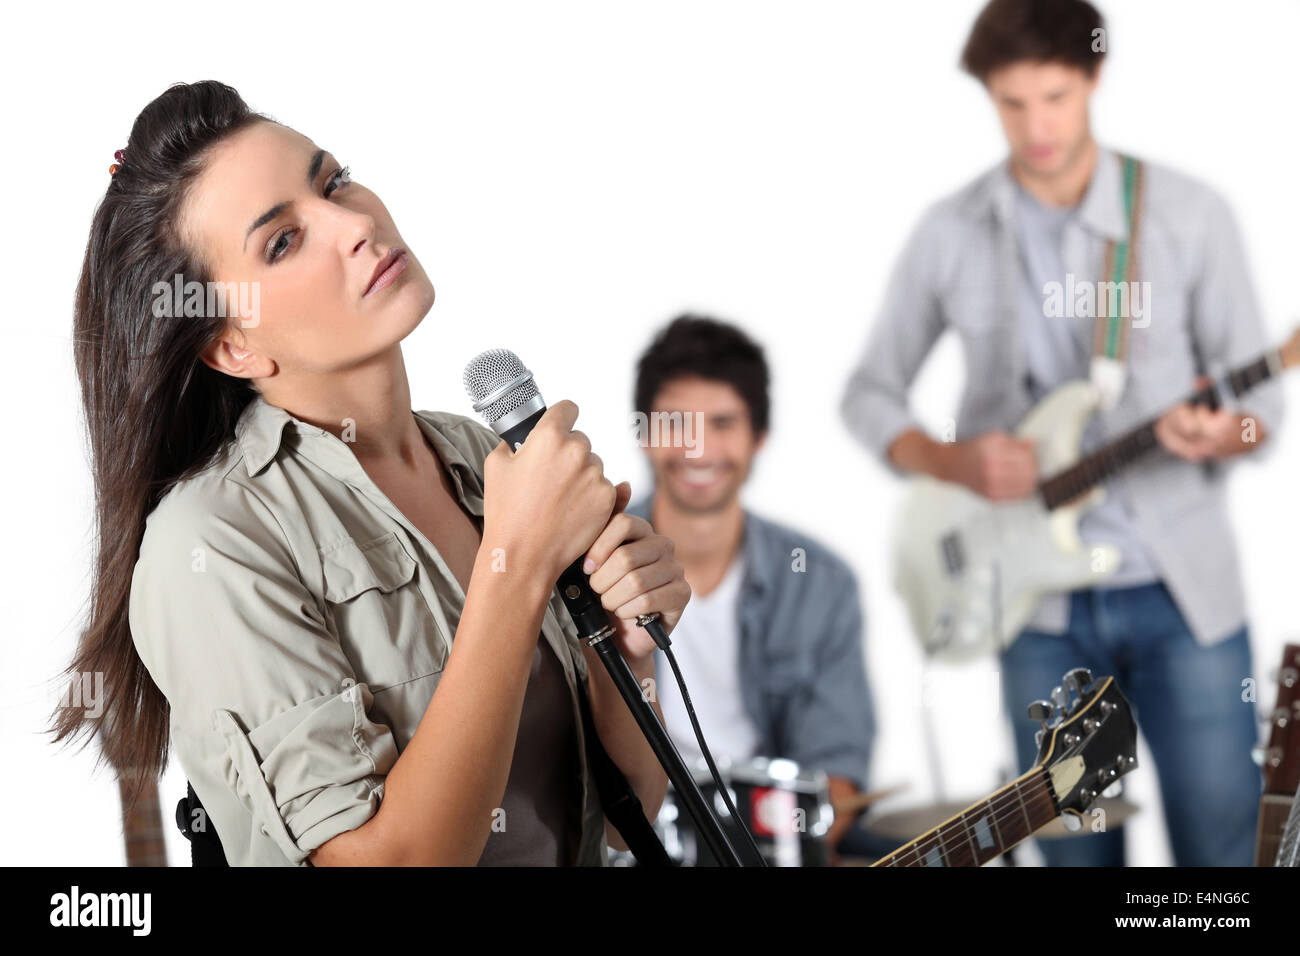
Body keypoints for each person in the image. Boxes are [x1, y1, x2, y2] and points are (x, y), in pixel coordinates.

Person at [50, 80, 690, 866]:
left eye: (333, 181)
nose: (355, 224)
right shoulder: (215, 541)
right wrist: (514, 565)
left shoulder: (481, 459)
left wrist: (622, 650)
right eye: (282, 242)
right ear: (232, 347)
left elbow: (635, 813)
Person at [838, 0, 1283, 866]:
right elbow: (868, 393)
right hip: (1031, 609)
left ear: (1094, 78)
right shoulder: (950, 230)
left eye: (1054, 96)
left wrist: (1217, 434)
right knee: (1073, 863)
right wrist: (951, 459)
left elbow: (1259, 421)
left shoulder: (1192, 216)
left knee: (1226, 865)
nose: (1036, 126)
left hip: (1180, 597)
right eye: (1011, 103)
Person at [627, 314, 879, 860]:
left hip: (772, 846)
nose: (699, 449)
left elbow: (836, 774)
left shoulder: (822, 583)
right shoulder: (590, 570)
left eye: (722, 423)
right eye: (677, 424)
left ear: (757, 437)